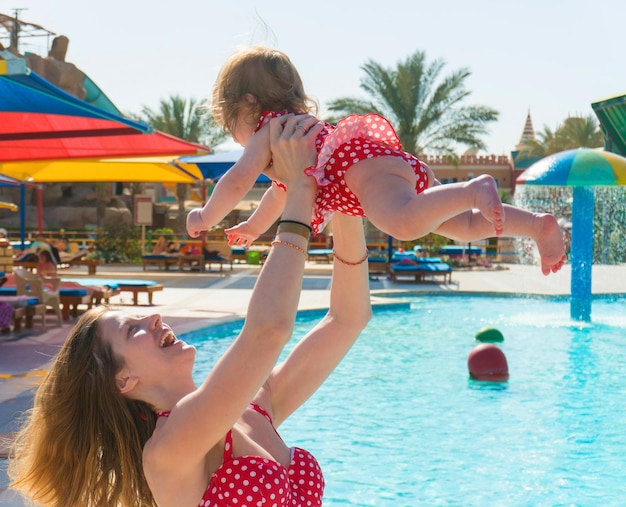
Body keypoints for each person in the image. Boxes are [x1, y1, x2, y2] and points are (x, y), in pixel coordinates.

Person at [8, 114, 373, 507]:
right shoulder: (168, 452)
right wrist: (301, 189)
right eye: (133, 330)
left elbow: (347, 320)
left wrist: (344, 190)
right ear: (123, 380)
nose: (154, 318)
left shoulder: (253, 411)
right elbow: (267, 332)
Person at [186, 46, 565, 276]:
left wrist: (205, 216)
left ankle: (471, 189)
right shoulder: (297, 135)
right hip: (387, 166)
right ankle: (536, 226)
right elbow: (280, 196)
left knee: (402, 223)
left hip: (367, 172)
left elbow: (237, 181)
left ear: (249, 105)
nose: (234, 136)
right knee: (464, 226)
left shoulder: (271, 131)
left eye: (228, 122)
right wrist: (253, 227)